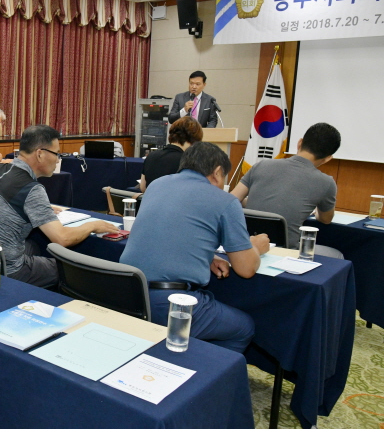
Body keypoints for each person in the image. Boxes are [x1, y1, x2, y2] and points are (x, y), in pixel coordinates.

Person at [120, 142, 270, 353]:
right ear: (218, 172)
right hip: (168, 305)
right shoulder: (225, 201)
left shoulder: (157, 185)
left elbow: (168, 230)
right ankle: (207, 379)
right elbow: (246, 269)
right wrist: (256, 247)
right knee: (243, 327)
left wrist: (205, 256)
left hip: (125, 292)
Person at [0, 125, 118, 287]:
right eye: (56, 154)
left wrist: (39, 209)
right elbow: (62, 238)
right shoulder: (31, 189)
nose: (58, 159)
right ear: (40, 154)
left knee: (35, 244)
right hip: (9, 269)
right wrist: (93, 225)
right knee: (73, 270)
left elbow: (3, 206)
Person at [231, 122, 341, 250]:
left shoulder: (261, 165)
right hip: (286, 252)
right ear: (328, 158)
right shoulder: (326, 183)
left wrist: (256, 201)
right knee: (337, 253)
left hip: (246, 244)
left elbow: (231, 200)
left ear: (299, 143)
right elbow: (326, 219)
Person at [139, 118, 203, 192]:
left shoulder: (151, 156)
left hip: (151, 202)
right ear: (194, 140)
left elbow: (143, 187)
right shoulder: (188, 162)